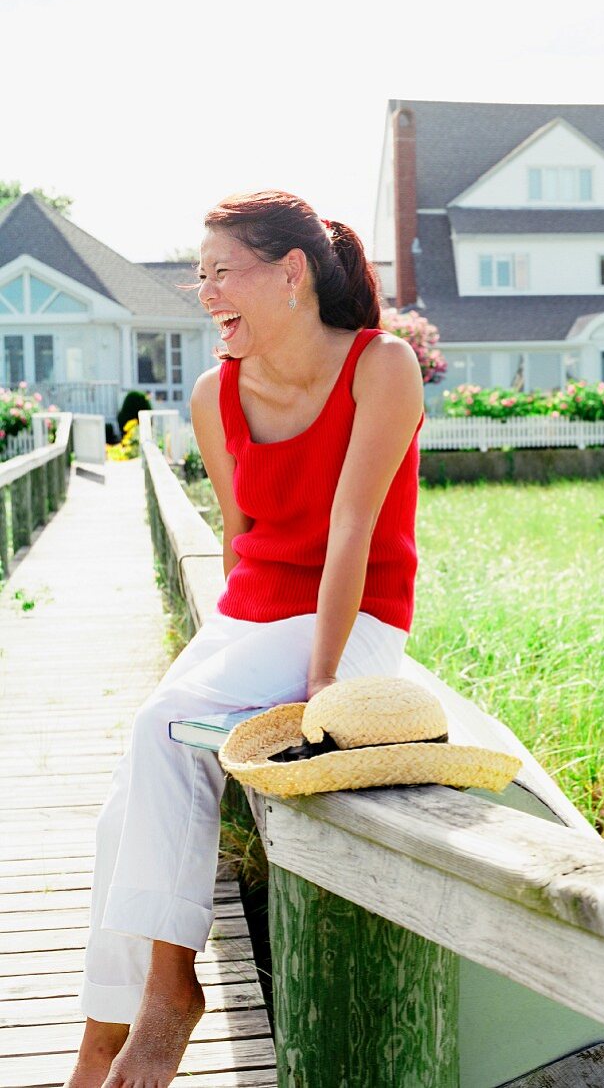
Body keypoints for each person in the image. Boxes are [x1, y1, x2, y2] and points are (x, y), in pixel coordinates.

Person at [66, 190, 425, 1087]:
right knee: (126, 806)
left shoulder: (380, 366)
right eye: (200, 274)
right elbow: (239, 542)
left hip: (357, 624)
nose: (204, 290)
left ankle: (168, 1001)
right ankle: (99, 1039)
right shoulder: (211, 390)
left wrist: (322, 688)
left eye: (221, 270)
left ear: (290, 273)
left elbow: (351, 531)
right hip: (252, 620)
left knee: (160, 731)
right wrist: (225, 652)